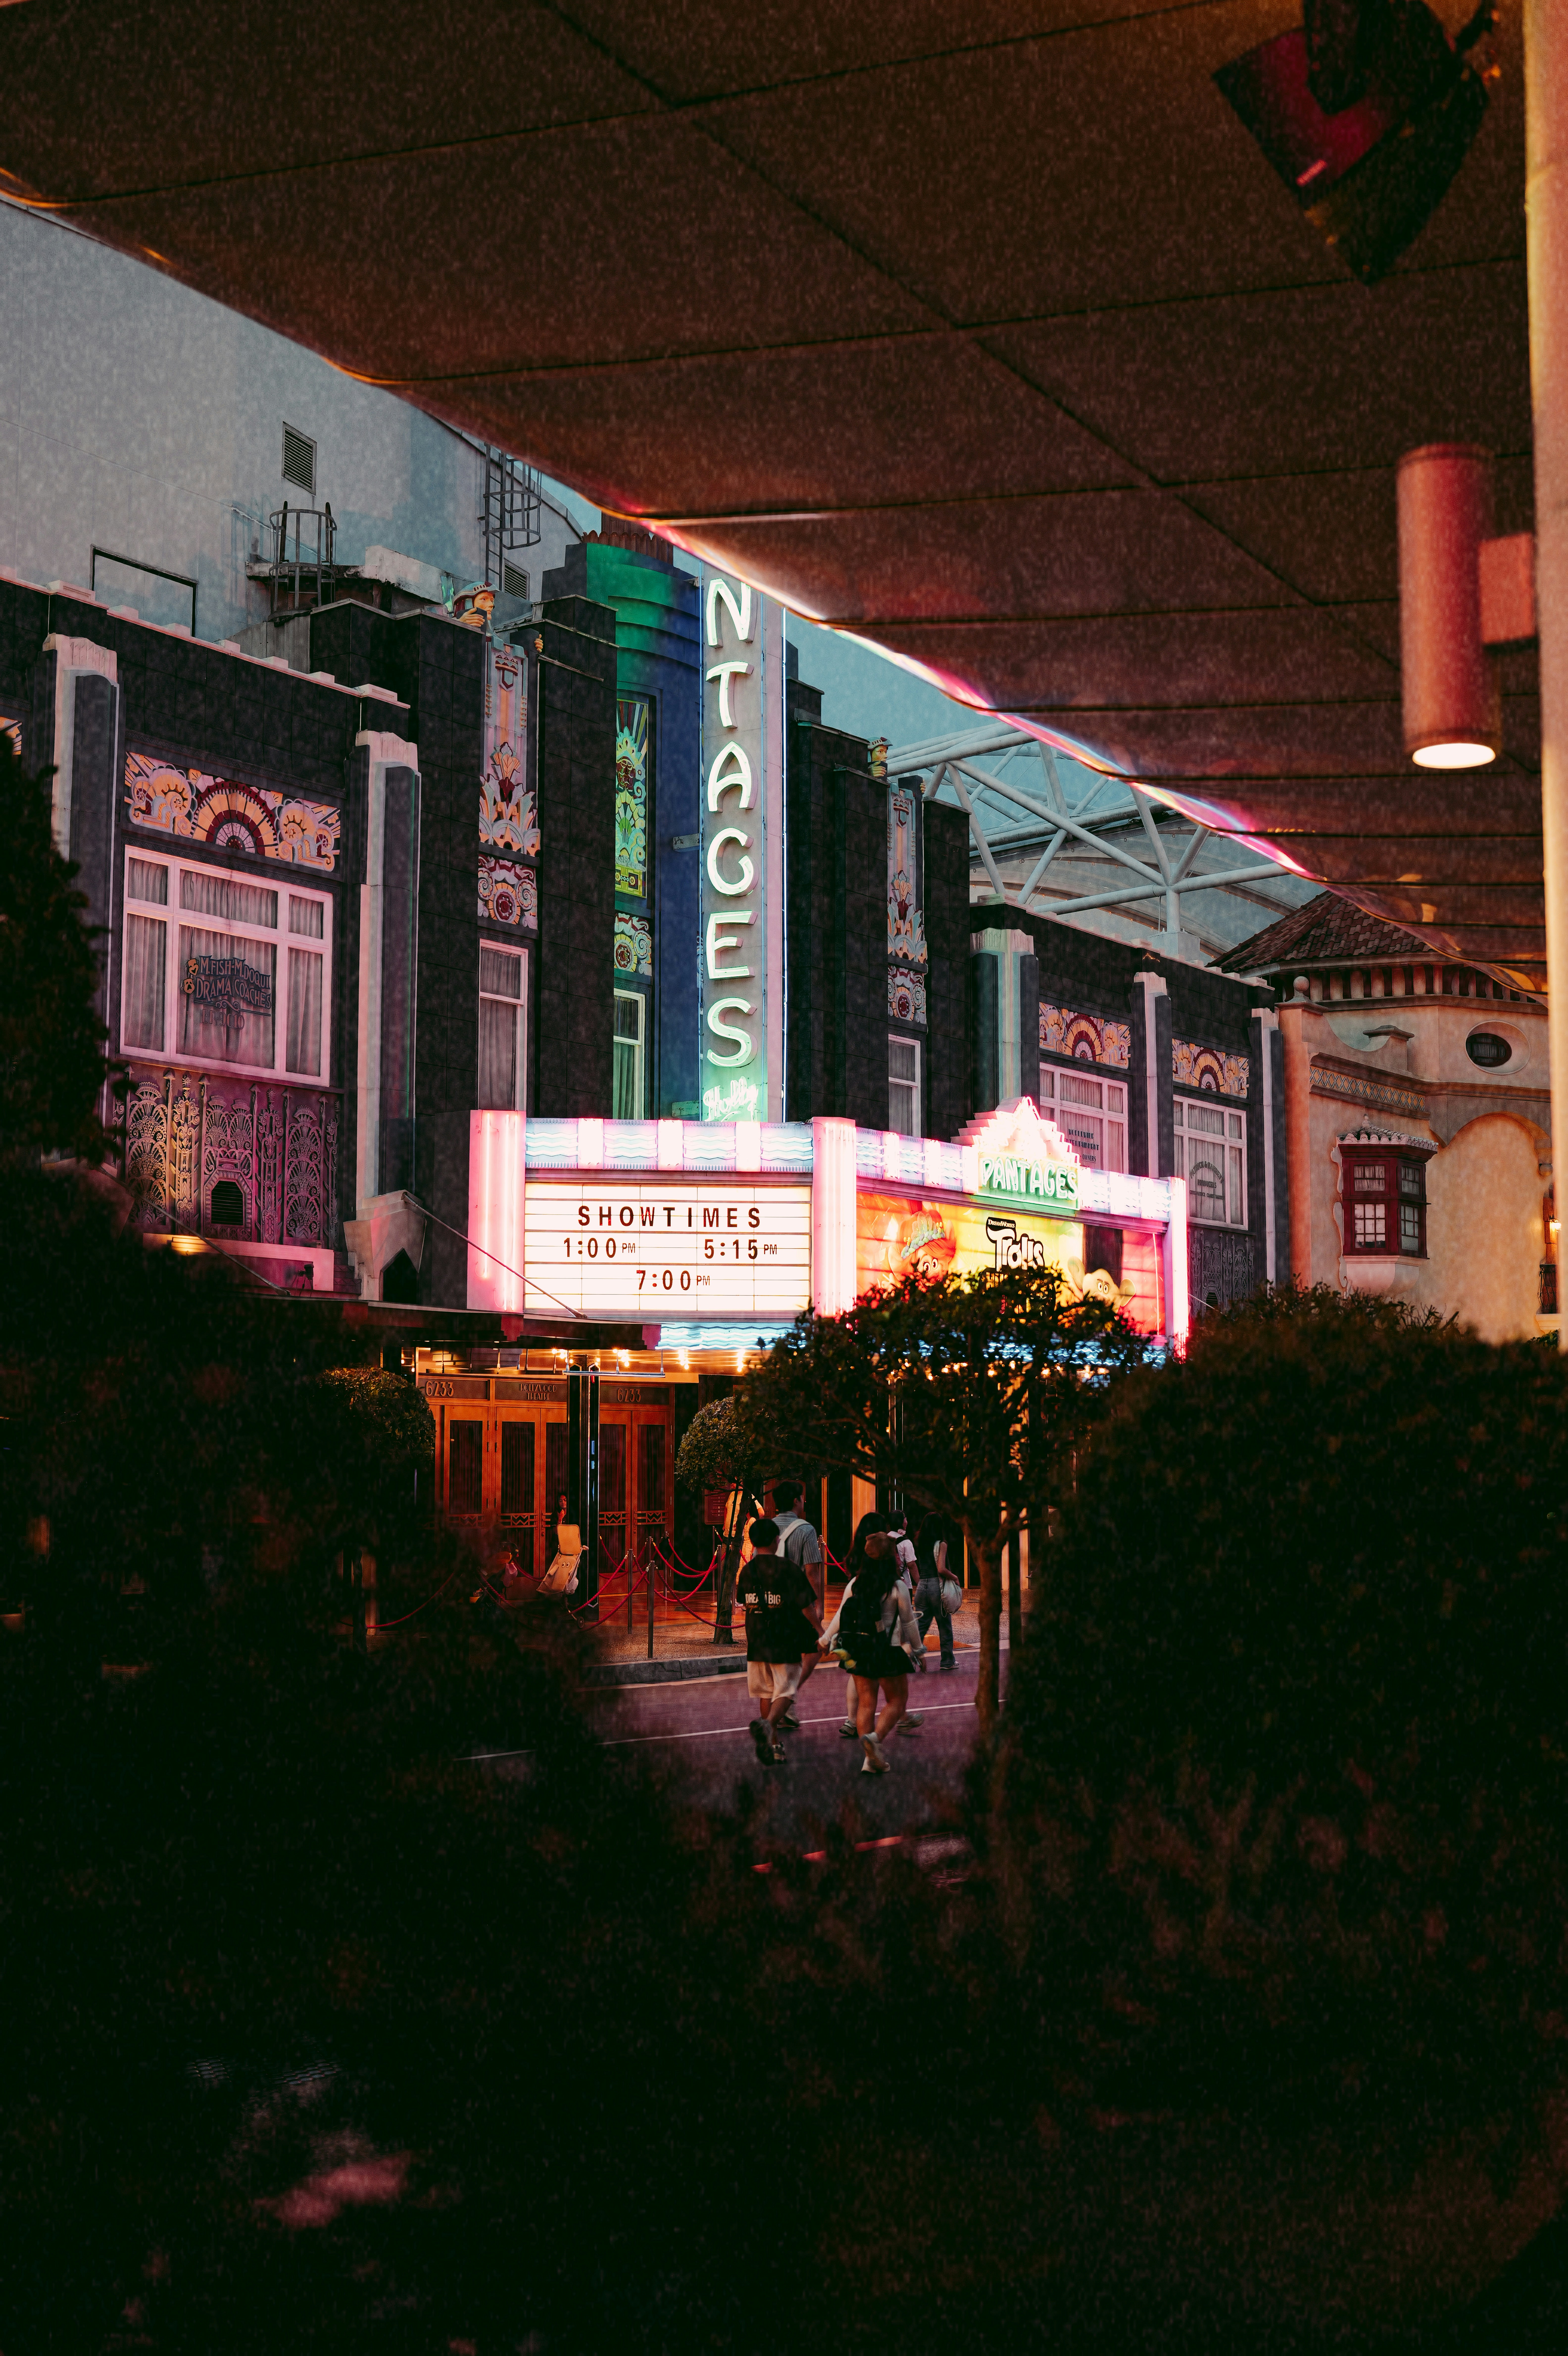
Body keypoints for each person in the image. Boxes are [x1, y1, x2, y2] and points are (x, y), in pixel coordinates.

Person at [828, 1534, 921, 1775]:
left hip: (860, 1651)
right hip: (888, 1651)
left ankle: (869, 1759)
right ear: (892, 1559)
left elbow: (840, 1616)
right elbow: (909, 1622)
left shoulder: (855, 1584)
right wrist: (919, 1651)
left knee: (866, 1704)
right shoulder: (897, 1586)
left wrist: (825, 1639)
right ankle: (876, 1739)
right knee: (897, 1700)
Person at [736, 1518, 819, 1767]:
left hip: (757, 1640)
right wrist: (819, 1629)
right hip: (784, 1639)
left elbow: (742, 1602)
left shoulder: (747, 1571)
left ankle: (774, 1746)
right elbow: (807, 1605)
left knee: (766, 1692)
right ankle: (768, 1726)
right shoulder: (789, 1569)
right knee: (787, 1690)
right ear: (776, 1540)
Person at [768, 1477, 825, 1730]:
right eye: (803, 1497)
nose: (805, 1502)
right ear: (796, 1501)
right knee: (815, 1648)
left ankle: (784, 1700)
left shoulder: (767, 1527)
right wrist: (818, 1606)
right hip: (798, 1603)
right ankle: (787, 1698)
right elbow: (813, 1572)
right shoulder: (806, 1530)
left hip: (771, 1602)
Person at [832, 1512, 887, 1738]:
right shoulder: (881, 1561)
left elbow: (843, 1608)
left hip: (852, 1630)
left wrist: (827, 1638)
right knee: (880, 1690)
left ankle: (851, 1720)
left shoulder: (856, 1559)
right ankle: (896, 1719)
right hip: (873, 1632)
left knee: (855, 1675)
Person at [913, 1509, 958, 1671]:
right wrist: (954, 1577)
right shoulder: (942, 1544)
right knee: (944, 1626)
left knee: (920, 1627)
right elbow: (941, 1569)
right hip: (936, 1588)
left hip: (922, 1587)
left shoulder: (920, 1543)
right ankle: (947, 1661)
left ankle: (909, 1658)